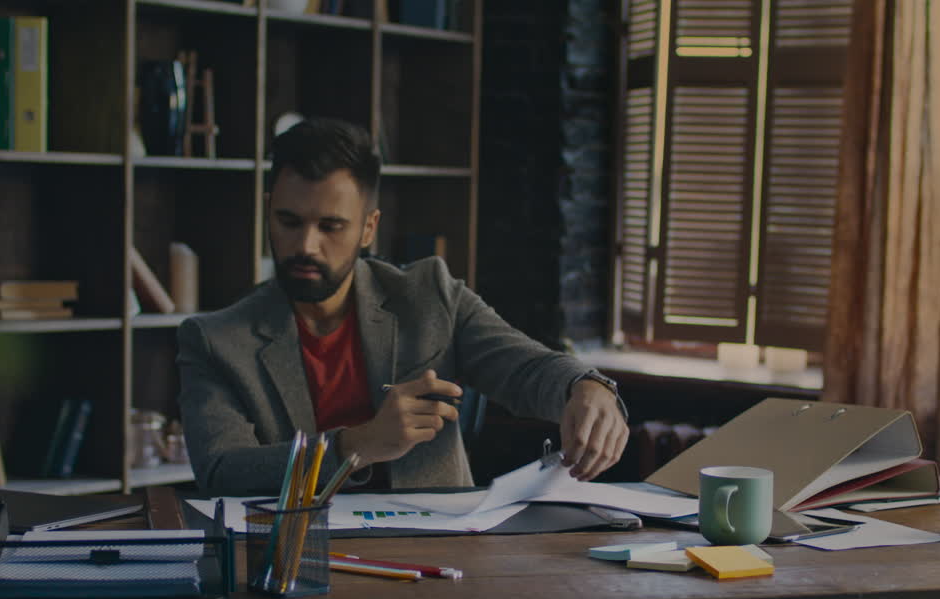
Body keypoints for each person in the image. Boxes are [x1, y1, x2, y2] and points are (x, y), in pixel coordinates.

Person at [177, 118, 628, 495]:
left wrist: (586, 387)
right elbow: (222, 473)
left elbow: (524, 368)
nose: (306, 245)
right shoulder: (216, 340)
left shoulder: (429, 294)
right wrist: (358, 445)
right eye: (289, 222)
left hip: (438, 561)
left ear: (369, 227)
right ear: (268, 211)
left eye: (331, 226)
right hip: (299, 561)